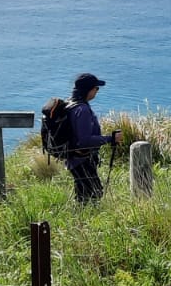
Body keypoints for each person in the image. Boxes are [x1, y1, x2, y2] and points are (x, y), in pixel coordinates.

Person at [48, 73, 122, 204]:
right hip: (81, 159)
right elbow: (84, 141)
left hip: (73, 158)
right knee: (94, 194)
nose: (97, 92)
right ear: (88, 90)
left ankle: (79, 219)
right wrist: (111, 139)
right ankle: (83, 221)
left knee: (83, 194)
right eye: (96, 88)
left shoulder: (71, 105)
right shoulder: (82, 110)